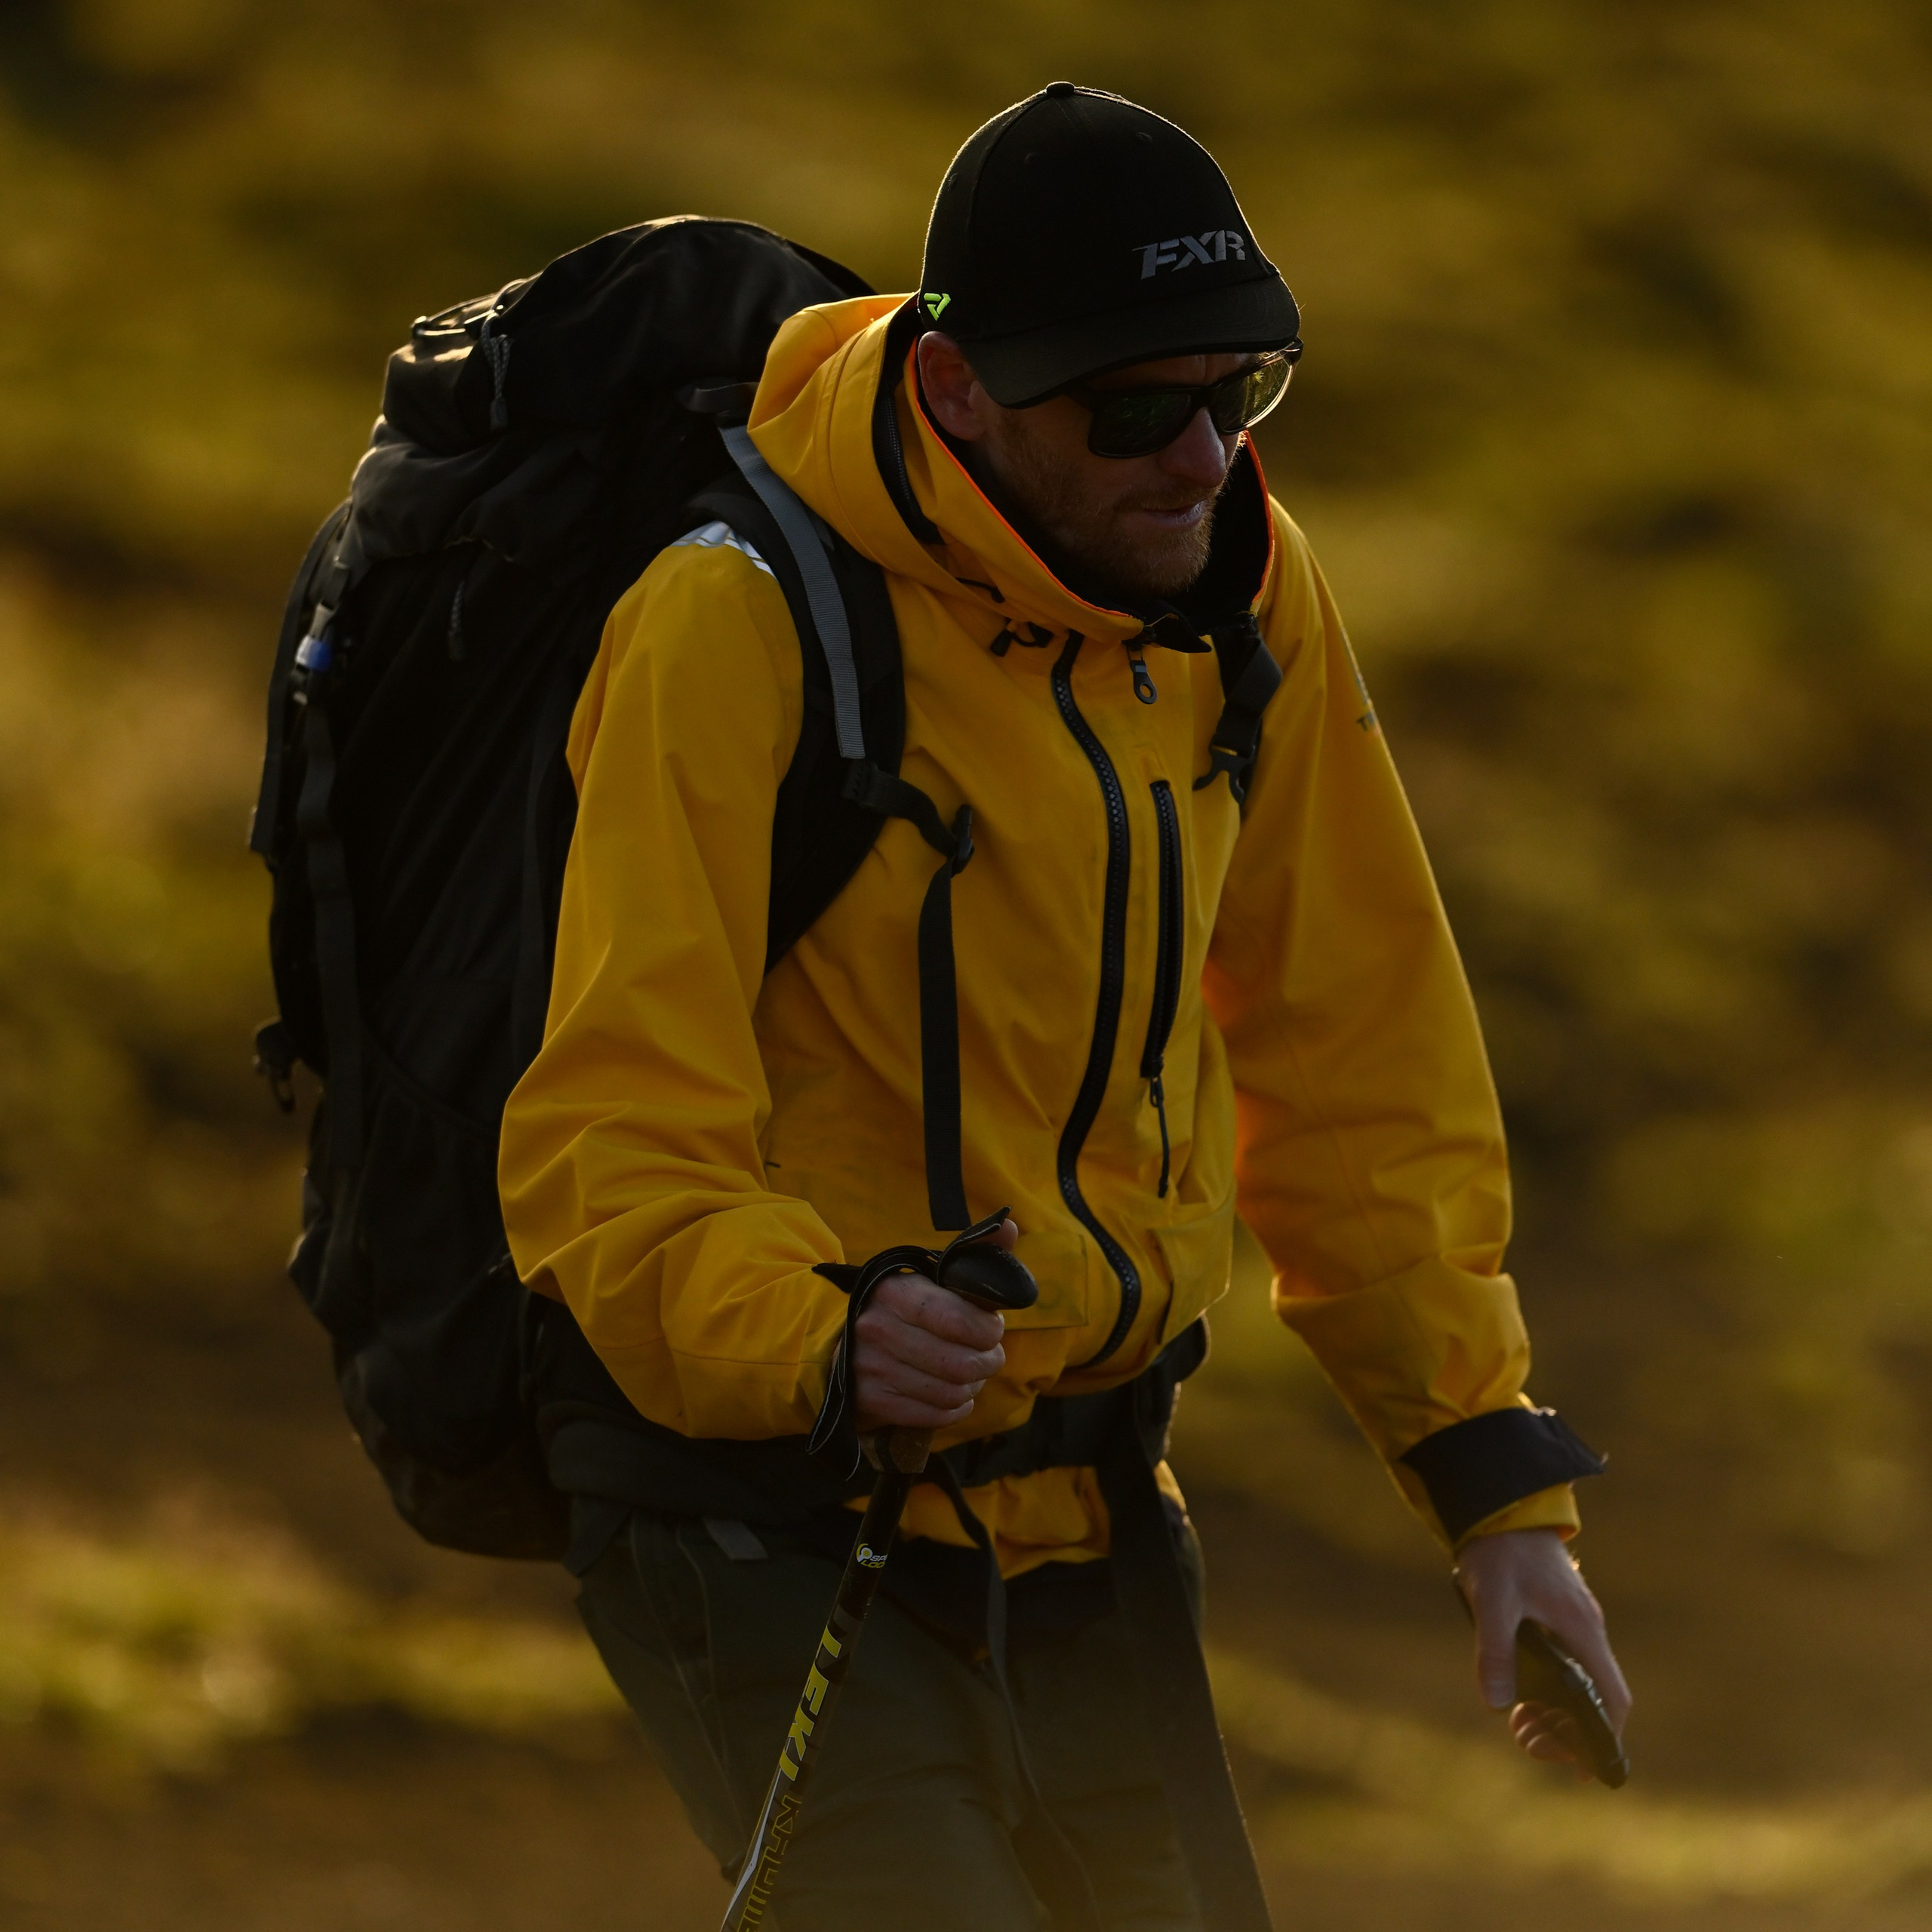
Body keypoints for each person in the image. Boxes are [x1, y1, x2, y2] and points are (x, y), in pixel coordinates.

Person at [498, 82, 1631, 1932]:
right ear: (956, 395)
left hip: (1094, 1511)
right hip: (763, 1506)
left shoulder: (1240, 586)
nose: (1199, 460)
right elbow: (607, 1137)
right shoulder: (733, 624)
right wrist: (815, 1339)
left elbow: (1357, 1045)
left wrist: (1491, 1484)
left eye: (1236, 393)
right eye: (1135, 410)